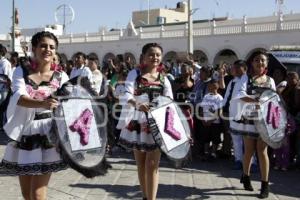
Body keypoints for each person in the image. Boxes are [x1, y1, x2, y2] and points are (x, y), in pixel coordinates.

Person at [0, 31, 69, 200]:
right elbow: (19, 98)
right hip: (26, 132)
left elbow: (71, 104)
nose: (48, 50)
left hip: (49, 134)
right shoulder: (20, 71)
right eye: (43, 46)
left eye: (52, 47)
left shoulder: (62, 77)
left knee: (37, 194)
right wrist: (43, 103)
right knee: (27, 194)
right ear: (34, 48)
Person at [117, 43, 173, 200]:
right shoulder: (134, 74)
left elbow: (170, 102)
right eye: (151, 54)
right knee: (141, 164)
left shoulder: (164, 79)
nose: (155, 57)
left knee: (152, 165)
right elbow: (127, 94)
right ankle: (145, 196)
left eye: (157, 54)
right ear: (143, 57)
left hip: (157, 124)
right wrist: (137, 104)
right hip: (137, 122)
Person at [231, 50, 276, 198]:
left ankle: (265, 185)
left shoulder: (270, 80)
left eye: (262, 60)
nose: (260, 62)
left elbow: (274, 100)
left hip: (264, 120)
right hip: (249, 118)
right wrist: (256, 101)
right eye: (257, 60)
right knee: (249, 150)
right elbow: (240, 94)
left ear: (266, 63)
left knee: (262, 151)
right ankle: (246, 176)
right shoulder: (246, 78)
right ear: (252, 63)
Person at [199, 79, 223, 160]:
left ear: (217, 86)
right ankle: (206, 152)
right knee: (206, 137)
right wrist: (202, 119)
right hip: (205, 121)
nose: (211, 87)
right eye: (209, 85)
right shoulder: (206, 96)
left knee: (215, 138)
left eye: (213, 85)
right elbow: (202, 108)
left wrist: (211, 120)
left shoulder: (219, 98)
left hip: (215, 122)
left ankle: (213, 153)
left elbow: (219, 112)